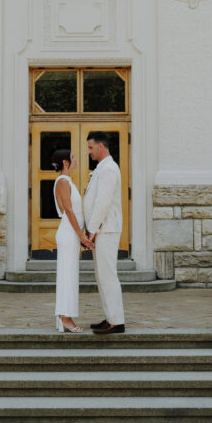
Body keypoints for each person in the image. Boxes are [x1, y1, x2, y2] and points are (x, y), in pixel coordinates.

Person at [82, 131, 126, 335]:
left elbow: (103, 201)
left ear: (101, 146)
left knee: (108, 275)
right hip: (102, 228)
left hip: (106, 228)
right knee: (102, 276)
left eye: (91, 147)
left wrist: (92, 229)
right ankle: (110, 317)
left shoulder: (109, 168)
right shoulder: (103, 168)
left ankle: (117, 321)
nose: (89, 152)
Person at [51, 149, 93, 333]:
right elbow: (69, 211)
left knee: (70, 276)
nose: (75, 161)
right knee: (67, 276)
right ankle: (65, 318)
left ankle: (65, 316)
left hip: (71, 234)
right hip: (68, 233)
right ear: (65, 162)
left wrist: (81, 235)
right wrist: (81, 235)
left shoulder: (67, 181)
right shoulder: (62, 181)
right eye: (73, 159)